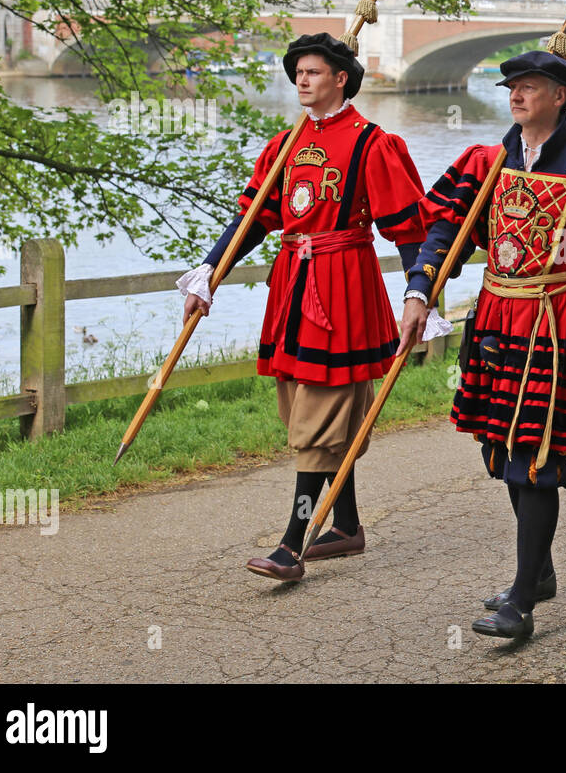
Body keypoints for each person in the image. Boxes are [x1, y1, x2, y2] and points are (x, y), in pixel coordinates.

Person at [398, 50, 566, 640]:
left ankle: (521, 600)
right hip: (493, 317)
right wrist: (420, 289)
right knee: (499, 445)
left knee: (534, 456)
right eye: (512, 86)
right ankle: (537, 573)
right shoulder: (486, 162)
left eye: (530, 87)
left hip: (554, 321)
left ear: (560, 96)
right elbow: (444, 229)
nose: (516, 95)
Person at [177, 32, 427, 582]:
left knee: (320, 413)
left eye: (313, 72)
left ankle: (293, 542)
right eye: (297, 73)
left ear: (341, 77)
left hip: (343, 287)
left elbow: (408, 227)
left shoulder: (371, 143)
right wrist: (208, 273)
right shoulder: (283, 143)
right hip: (292, 285)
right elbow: (253, 220)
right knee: (300, 406)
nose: (302, 80)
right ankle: (347, 526)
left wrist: (419, 292)